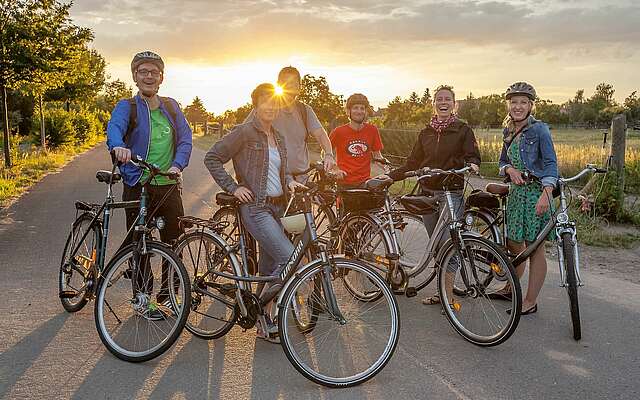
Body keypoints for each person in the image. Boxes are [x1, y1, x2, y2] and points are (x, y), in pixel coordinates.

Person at [204, 83, 305, 341]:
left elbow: (280, 172)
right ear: (256, 105)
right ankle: (261, 311)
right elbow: (212, 157)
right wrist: (233, 186)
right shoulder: (245, 132)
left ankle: (262, 319)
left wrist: (290, 182)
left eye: (273, 101)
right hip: (256, 208)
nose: (270, 106)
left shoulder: (278, 136)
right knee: (288, 258)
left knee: (269, 268)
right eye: (264, 101)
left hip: (279, 207)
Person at [106, 51, 193, 311]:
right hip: (138, 182)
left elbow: (186, 138)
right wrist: (119, 147)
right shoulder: (127, 106)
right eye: (143, 71)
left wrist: (177, 165)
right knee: (139, 241)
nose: (148, 76)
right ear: (135, 76)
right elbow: (114, 129)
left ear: (161, 78)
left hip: (167, 185)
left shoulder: (171, 106)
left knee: (174, 241)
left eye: (154, 72)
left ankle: (168, 296)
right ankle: (142, 298)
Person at [380, 85, 481, 306]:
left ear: (455, 104)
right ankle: (443, 291)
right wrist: (391, 177)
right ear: (433, 104)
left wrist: (473, 164)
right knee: (436, 246)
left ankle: (448, 296)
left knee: (449, 245)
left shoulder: (463, 130)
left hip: (451, 193)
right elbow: (412, 162)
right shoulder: (425, 133)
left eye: (447, 99)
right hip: (428, 193)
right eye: (439, 99)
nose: (443, 102)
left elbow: (473, 155)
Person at [498, 82, 559, 315]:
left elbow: (551, 164)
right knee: (515, 245)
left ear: (531, 105)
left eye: (523, 102)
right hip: (516, 196)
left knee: (535, 250)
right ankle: (509, 287)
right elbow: (503, 161)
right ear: (509, 105)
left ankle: (530, 300)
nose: (518, 106)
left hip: (536, 195)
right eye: (514, 102)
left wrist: (546, 194)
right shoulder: (507, 131)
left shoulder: (540, 130)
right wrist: (509, 171)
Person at [244, 66, 336, 181]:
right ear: (278, 85)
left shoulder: (305, 110)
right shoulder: (267, 108)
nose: (290, 86)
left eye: (294, 83)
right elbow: (243, 133)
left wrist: (328, 154)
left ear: (299, 87)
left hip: (301, 178)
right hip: (271, 178)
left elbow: (321, 134)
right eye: (285, 82)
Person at [329, 93, 386, 189]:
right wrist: (335, 169)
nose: (359, 111)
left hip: (365, 183)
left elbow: (378, 156)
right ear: (348, 111)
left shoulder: (372, 130)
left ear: (366, 111)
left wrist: (388, 169)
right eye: (355, 108)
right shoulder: (338, 132)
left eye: (362, 108)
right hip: (344, 183)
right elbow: (326, 154)